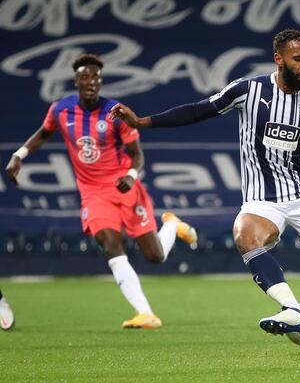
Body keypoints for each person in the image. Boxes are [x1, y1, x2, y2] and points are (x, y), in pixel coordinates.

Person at [109, 29, 300, 355]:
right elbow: (198, 110)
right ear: (279, 59)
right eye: (298, 58)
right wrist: (142, 122)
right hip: (262, 199)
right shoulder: (248, 91)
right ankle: (293, 309)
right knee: (244, 234)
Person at [5, 54, 198, 330]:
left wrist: (131, 176)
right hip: (93, 194)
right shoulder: (60, 110)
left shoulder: (115, 113)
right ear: (76, 81)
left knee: (156, 256)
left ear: (100, 82)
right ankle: (145, 313)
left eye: (95, 78)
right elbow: (44, 133)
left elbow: (137, 155)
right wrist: (19, 155)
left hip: (126, 189)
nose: (91, 82)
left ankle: (171, 225)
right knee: (110, 244)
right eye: (85, 77)